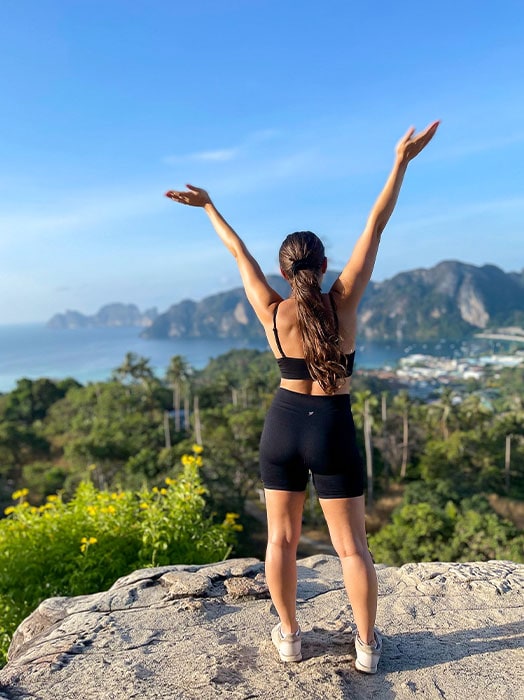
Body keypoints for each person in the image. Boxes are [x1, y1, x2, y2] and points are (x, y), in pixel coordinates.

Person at [165, 120, 439, 673]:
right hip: (331, 425)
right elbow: (376, 225)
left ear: (287, 271)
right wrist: (400, 162)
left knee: (282, 541)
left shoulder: (271, 311)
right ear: (322, 267)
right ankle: (366, 647)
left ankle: (289, 636)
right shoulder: (343, 301)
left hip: (283, 425)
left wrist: (210, 206)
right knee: (352, 550)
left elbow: (237, 253)